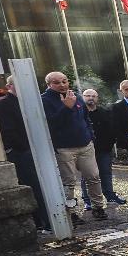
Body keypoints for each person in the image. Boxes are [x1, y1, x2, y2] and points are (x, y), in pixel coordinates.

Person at [41, 71, 105, 222]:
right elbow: (49, 123)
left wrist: (90, 136)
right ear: (49, 85)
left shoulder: (75, 96)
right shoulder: (44, 100)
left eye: (64, 81)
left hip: (85, 145)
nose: (62, 85)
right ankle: (72, 213)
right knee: (68, 183)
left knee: (94, 177)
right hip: (64, 148)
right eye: (57, 82)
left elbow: (85, 118)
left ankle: (98, 207)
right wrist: (66, 108)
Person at [0, 80, 49, 230]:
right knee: (34, 186)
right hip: (22, 153)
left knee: (44, 185)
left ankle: (47, 219)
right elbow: (9, 132)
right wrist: (25, 148)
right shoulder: (4, 105)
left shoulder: (33, 102)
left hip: (38, 150)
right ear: (9, 86)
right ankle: (42, 221)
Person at [80, 88, 126, 208]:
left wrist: (110, 143)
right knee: (87, 176)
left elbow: (111, 129)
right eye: (87, 95)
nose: (90, 98)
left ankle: (110, 196)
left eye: (93, 96)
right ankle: (87, 200)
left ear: (97, 98)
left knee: (106, 173)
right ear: (82, 97)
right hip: (85, 150)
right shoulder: (78, 113)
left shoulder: (104, 112)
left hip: (104, 150)